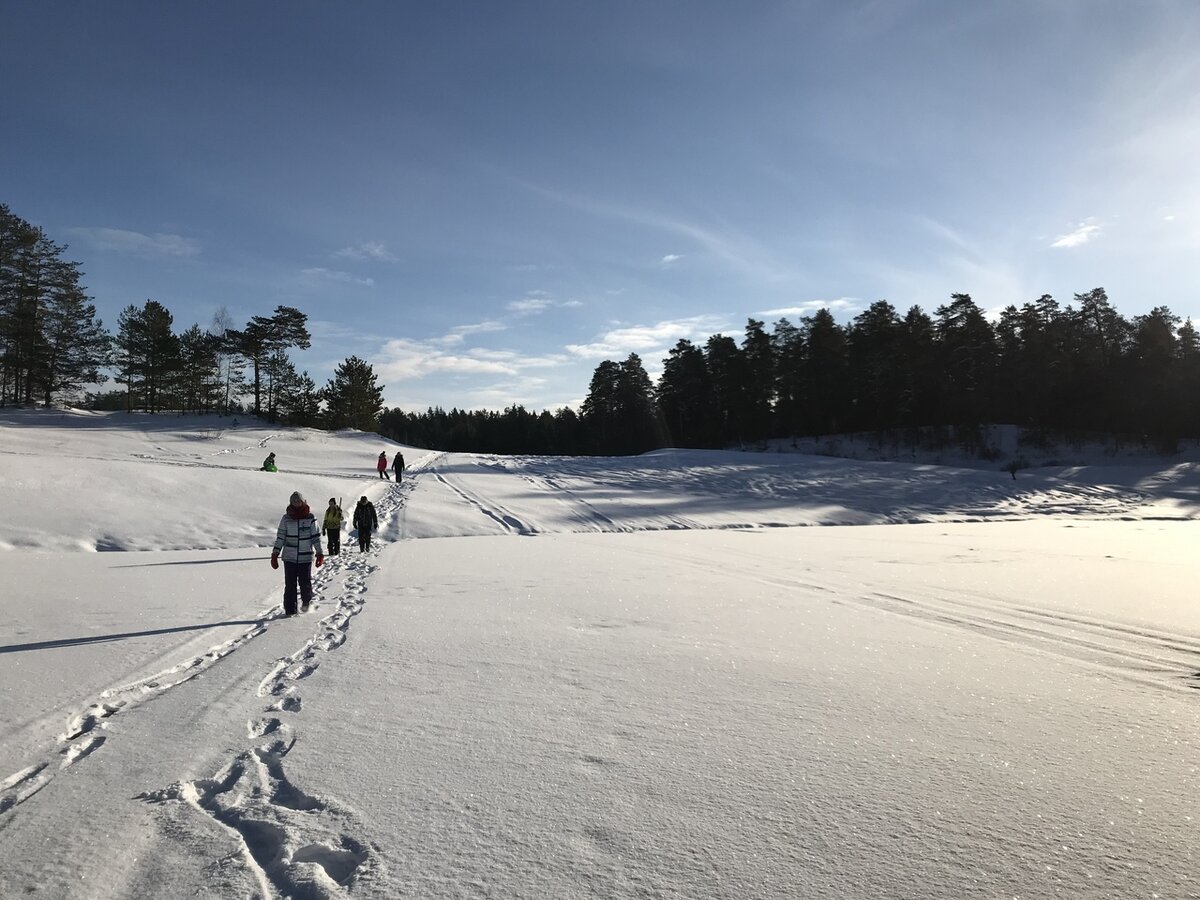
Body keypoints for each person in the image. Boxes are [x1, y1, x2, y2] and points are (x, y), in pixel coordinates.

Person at [271, 491, 324, 616]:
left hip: (305, 557)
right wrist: (275, 554)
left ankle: (306, 601)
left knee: (305, 583)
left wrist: (319, 553)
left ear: (303, 501)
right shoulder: (286, 519)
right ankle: (290, 610)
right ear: (291, 502)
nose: (296, 503)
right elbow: (280, 537)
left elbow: (316, 537)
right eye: (294, 501)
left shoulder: (310, 518)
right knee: (290, 584)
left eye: (298, 501)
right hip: (289, 557)